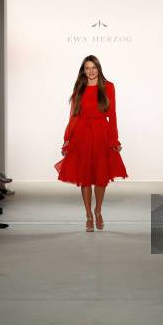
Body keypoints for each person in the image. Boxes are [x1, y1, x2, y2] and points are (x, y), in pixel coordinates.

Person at [54, 55, 128, 232]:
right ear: (83, 70)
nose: (91, 71)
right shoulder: (79, 87)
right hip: (81, 134)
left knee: (101, 176)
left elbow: (113, 114)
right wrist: (67, 139)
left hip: (101, 132)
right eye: (87, 68)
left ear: (98, 68)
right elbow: (73, 115)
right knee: (85, 176)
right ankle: (88, 215)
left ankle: (98, 210)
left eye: (93, 67)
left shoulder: (108, 86)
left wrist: (114, 138)